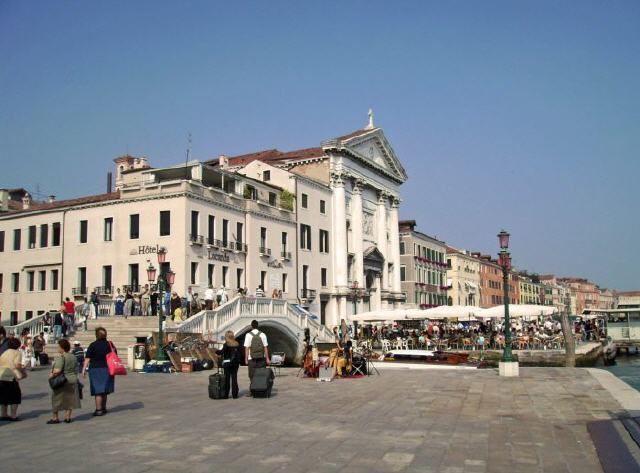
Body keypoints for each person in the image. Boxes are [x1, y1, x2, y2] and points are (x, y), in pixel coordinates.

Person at [83, 327, 115, 416]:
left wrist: (83, 369)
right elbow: (114, 354)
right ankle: (103, 408)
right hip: (107, 368)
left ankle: (98, 409)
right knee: (105, 390)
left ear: (96, 335)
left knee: (98, 390)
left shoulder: (92, 345)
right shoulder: (110, 344)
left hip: (95, 369)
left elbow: (87, 358)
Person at [47, 339, 80, 424]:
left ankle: (55, 418)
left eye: (59, 346)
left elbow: (57, 370)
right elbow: (76, 368)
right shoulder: (73, 356)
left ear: (62, 348)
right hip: (72, 379)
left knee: (56, 398)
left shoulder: (61, 357)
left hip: (62, 380)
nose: (58, 348)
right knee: (70, 399)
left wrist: (51, 374)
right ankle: (67, 417)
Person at [0, 337, 25, 421]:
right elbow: (17, 365)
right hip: (11, 376)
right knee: (15, 396)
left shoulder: (4, 352)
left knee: (3, 396)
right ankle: (13, 415)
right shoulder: (17, 353)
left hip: (1, 376)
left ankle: (4, 414)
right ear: (18, 345)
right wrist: (23, 371)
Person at [216, 331, 241, 399]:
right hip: (235, 364)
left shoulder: (226, 344)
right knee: (234, 378)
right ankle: (235, 395)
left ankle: (226, 395)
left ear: (227, 337)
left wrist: (215, 351)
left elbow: (221, 352)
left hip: (227, 364)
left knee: (227, 379)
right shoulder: (237, 344)